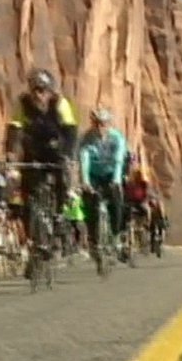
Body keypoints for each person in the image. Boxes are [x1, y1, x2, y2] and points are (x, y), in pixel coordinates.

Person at [4, 68, 78, 250]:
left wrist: (67, 154)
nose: (38, 94)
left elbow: (70, 130)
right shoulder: (22, 103)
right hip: (33, 149)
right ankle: (33, 242)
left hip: (55, 147)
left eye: (42, 90)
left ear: (49, 90)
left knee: (61, 172)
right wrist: (10, 153)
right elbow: (14, 128)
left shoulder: (59, 103)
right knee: (27, 193)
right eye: (35, 90)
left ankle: (60, 214)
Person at [78, 107, 128, 273]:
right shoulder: (86, 138)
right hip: (93, 175)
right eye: (98, 124)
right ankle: (93, 240)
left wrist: (116, 179)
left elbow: (119, 159)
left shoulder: (117, 137)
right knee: (89, 205)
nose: (101, 127)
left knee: (117, 203)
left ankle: (116, 236)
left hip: (110, 174)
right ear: (93, 123)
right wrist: (85, 181)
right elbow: (84, 160)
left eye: (104, 124)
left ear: (108, 124)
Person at [121, 166, 151, 258]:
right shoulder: (128, 183)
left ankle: (147, 224)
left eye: (137, 174)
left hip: (140, 202)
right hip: (129, 203)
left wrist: (145, 200)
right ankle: (126, 242)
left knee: (146, 210)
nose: (135, 176)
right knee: (126, 219)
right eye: (134, 174)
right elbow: (123, 192)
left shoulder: (143, 183)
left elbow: (146, 193)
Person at [61, 188, 86, 256]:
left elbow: (75, 208)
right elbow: (67, 209)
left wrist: (66, 214)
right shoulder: (72, 200)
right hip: (74, 219)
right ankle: (75, 248)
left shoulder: (76, 199)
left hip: (76, 218)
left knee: (77, 233)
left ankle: (76, 248)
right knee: (75, 233)